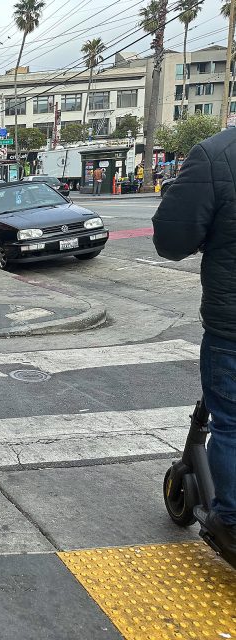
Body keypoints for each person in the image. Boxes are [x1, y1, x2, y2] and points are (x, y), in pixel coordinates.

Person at [152, 128, 236, 556]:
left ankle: (232, 523)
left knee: (231, 425)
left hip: (232, 326)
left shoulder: (217, 154)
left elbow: (171, 240)